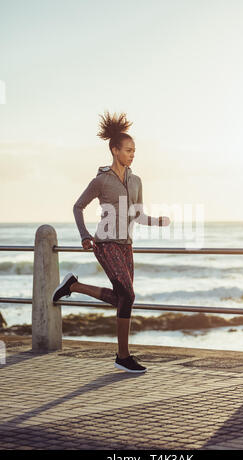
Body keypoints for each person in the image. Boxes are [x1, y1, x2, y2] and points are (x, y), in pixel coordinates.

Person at [52, 111, 171, 373]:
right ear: (115, 150)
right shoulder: (101, 181)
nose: (132, 154)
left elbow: (138, 216)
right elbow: (77, 207)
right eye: (128, 150)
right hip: (105, 244)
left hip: (126, 245)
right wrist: (84, 235)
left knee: (122, 298)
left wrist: (158, 222)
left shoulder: (136, 181)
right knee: (128, 296)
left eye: (134, 150)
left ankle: (74, 285)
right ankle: (123, 356)